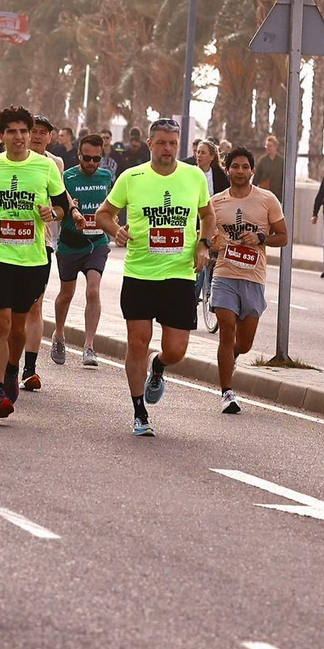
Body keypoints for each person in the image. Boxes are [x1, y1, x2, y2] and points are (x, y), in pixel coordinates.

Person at [94, 118, 218, 436]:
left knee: (176, 350)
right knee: (137, 342)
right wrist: (116, 231)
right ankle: (139, 411)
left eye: (173, 143)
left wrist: (204, 244)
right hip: (139, 274)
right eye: (161, 142)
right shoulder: (132, 177)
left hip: (179, 275)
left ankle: (159, 366)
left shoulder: (193, 176)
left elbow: (207, 214)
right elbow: (103, 214)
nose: (167, 149)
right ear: (150, 144)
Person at [0, 106, 70, 420]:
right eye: (12, 131)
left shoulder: (45, 166)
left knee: (19, 328)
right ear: (2, 136)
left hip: (33, 259)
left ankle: (13, 369)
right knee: (1, 324)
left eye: (24, 131)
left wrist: (53, 214)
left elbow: (62, 205)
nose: (20, 137)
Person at [209, 147, 288, 413]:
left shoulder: (267, 200)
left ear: (252, 171)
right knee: (226, 327)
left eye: (245, 167)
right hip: (224, 273)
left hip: (253, 278)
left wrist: (261, 238)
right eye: (235, 167)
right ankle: (227, 393)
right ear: (227, 170)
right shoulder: (216, 202)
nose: (240, 171)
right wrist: (212, 243)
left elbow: (283, 237)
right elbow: (206, 238)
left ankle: (229, 360)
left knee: (243, 344)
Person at [52, 133, 114, 368]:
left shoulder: (106, 176)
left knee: (93, 291)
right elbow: (57, 205)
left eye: (96, 159)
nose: (91, 163)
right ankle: (59, 335)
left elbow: (112, 207)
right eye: (87, 158)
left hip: (96, 243)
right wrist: (71, 209)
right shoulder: (66, 177)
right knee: (66, 293)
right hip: (70, 243)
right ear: (79, 155)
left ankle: (89, 346)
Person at [17, 115, 68, 391]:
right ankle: (0, 361)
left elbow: (59, 197)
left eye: (42, 133)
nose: (37, 136)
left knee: (35, 305)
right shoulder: (6, 160)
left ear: (50, 137)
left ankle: (29, 369)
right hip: (5, 246)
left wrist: (64, 211)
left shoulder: (54, 164)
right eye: (33, 131)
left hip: (41, 242)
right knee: (9, 311)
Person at [253, 133, 287, 200]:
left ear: (275, 146)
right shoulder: (262, 161)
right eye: (267, 146)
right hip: (264, 194)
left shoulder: (281, 161)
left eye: (270, 146)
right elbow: (256, 178)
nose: (268, 148)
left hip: (277, 195)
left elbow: (284, 179)